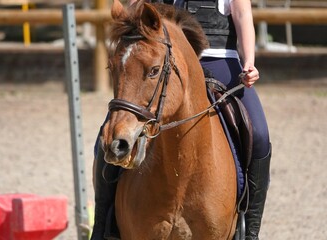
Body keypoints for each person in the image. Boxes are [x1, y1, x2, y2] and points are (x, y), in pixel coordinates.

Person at [91, 1, 271, 240]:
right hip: (167, 54)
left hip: (219, 59)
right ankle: (102, 227)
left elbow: (241, 12)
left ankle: (251, 232)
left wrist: (249, 60)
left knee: (259, 135)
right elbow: (138, 8)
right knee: (109, 135)